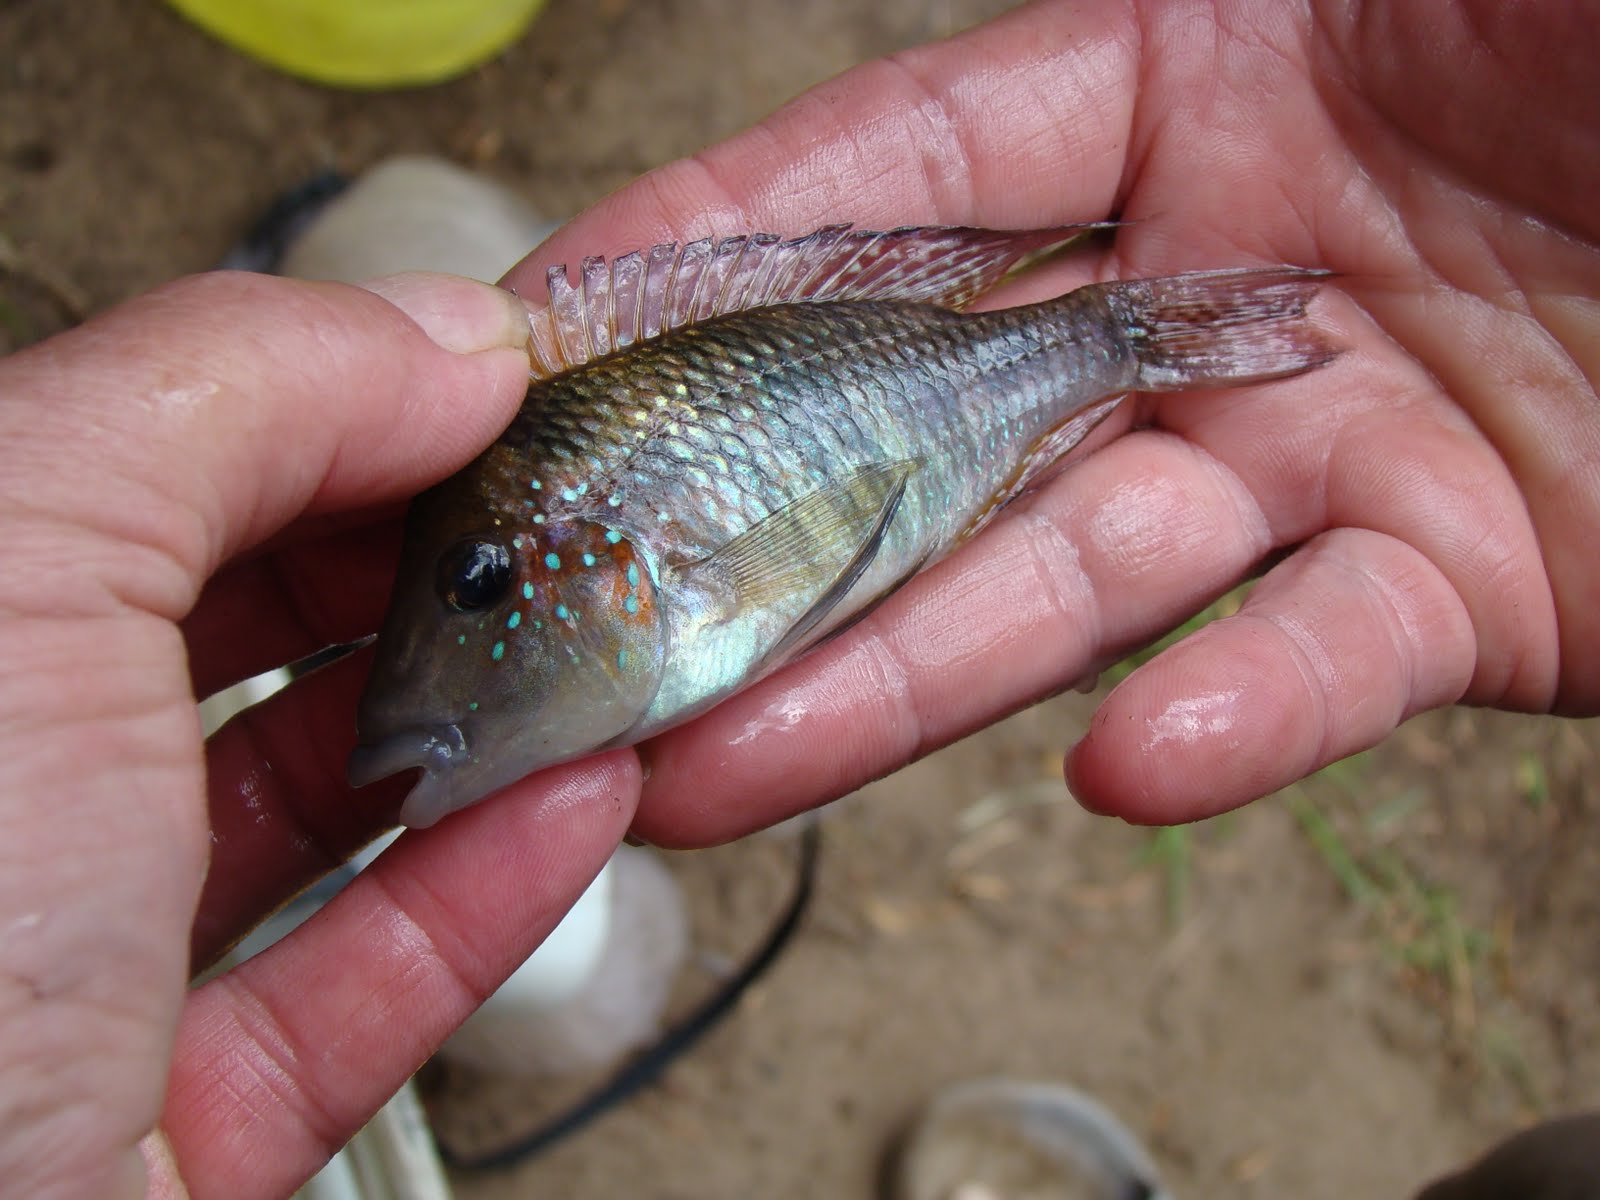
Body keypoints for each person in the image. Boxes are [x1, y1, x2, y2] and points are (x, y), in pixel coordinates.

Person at [1, 1, 1595, 1196]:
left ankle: (1129, 335)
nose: (445, 643)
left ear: (579, 569)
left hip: (944, 388)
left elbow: (804, 548)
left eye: (482, 583)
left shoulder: (618, 559)